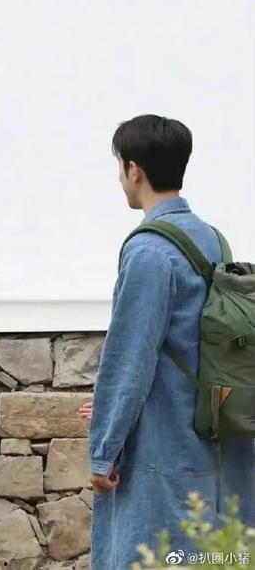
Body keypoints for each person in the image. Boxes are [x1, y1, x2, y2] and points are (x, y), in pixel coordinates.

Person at [85, 115, 255, 570]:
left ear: (134, 170)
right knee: (211, 553)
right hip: (218, 437)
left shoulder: (149, 251)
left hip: (167, 445)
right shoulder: (212, 240)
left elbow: (130, 359)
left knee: (157, 554)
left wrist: (103, 451)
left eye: (121, 166)